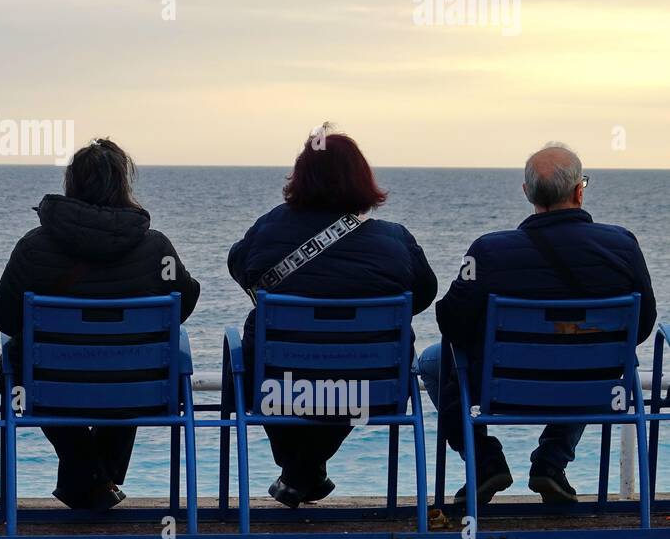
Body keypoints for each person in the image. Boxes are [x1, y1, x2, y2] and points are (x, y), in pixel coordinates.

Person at [418, 142, 657, 505]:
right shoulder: (623, 245)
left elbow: (452, 321)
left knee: (433, 361)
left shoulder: (488, 250)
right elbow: (643, 325)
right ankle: (551, 461)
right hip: (593, 384)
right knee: (588, 358)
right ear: (579, 191)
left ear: (527, 192)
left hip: (503, 388)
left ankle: (485, 461)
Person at [228, 126, 437, 508]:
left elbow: (239, 266)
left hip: (278, 385)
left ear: (301, 176)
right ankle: (303, 472)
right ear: (361, 179)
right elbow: (423, 294)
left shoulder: (269, 226)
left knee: (270, 347)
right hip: (372, 387)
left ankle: (299, 471)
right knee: (346, 360)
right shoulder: (395, 240)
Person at [0, 139, 200, 510]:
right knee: (127, 360)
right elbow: (183, 305)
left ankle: (85, 475)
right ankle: (94, 478)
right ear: (124, 184)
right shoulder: (156, 249)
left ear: (72, 185)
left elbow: (2, 316)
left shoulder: (33, 247)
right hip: (138, 386)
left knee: (23, 364)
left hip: (48, 388)